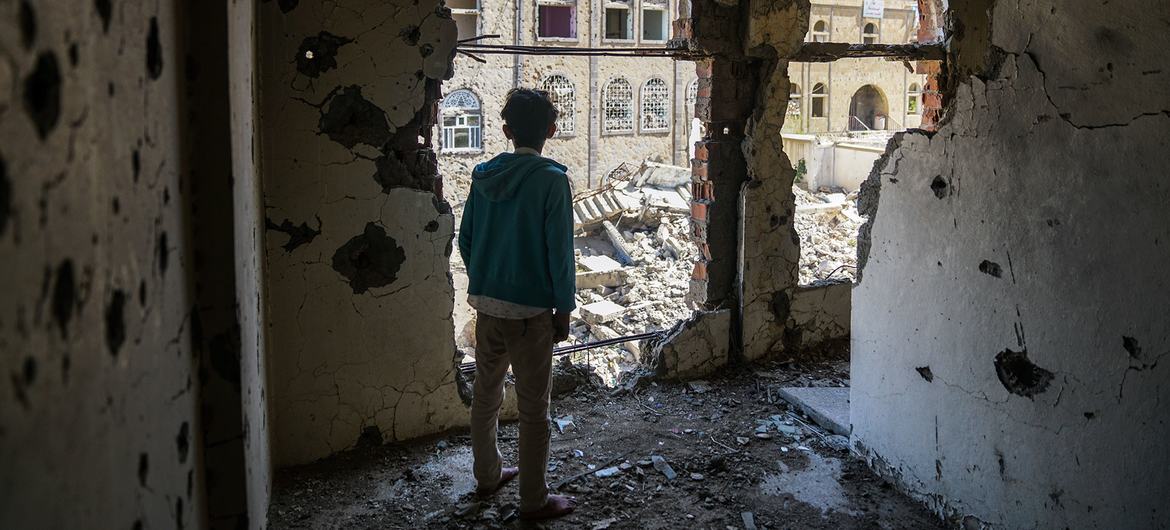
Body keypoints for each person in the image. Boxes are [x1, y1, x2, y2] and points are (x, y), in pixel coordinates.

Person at [457, 88, 577, 520]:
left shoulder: (483, 176)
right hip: (530, 316)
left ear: (505, 130)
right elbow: (559, 253)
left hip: (488, 308)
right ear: (552, 130)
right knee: (533, 409)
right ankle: (533, 500)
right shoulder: (552, 179)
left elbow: (466, 240)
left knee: (485, 396)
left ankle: (487, 476)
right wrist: (563, 308)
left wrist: (489, 280)